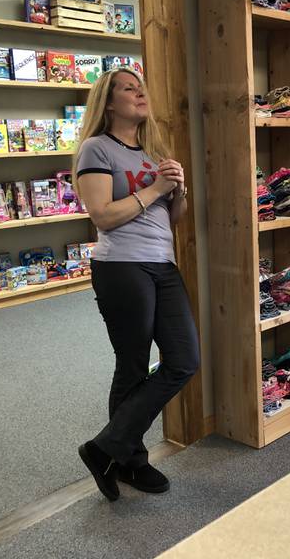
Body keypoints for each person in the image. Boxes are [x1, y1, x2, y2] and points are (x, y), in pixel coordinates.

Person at [73, 67, 199, 501]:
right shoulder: (96, 148)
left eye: (142, 87)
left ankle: (104, 447)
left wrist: (177, 191)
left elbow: (172, 219)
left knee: (184, 359)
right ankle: (131, 461)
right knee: (132, 365)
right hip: (122, 266)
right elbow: (102, 215)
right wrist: (155, 189)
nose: (140, 93)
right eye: (130, 88)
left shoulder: (151, 150)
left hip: (162, 264)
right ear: (109, 102)